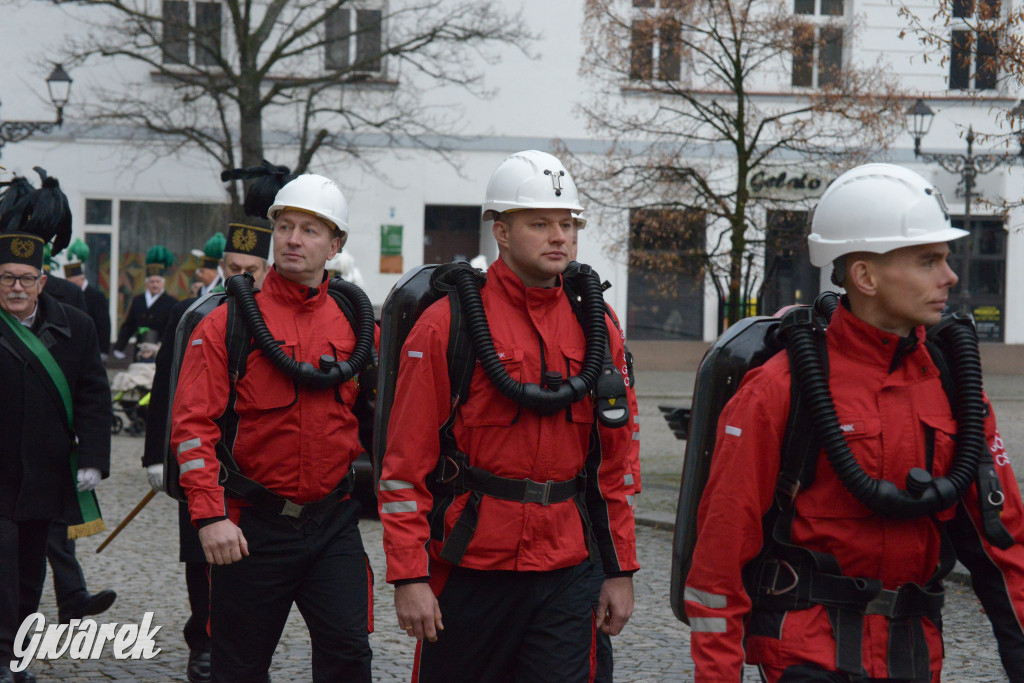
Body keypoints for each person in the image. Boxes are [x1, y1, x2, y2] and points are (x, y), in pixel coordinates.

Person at [684, 163, 1024, 682]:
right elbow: (720, 555)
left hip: (914, 655)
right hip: (808, 655)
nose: (950, 277)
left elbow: (1004, 545)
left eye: (946, 258)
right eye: (928, 260)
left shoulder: (955, 385)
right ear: (866, 277)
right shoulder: (781, 387)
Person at [378, 150, 639, 682]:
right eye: (539, 223)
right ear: (500, 231)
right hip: (471, 568)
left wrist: (620, 571)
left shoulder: (598, 327)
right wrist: (409, 576)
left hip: (567, 569)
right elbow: (404, 465)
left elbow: (616, 464)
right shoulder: (447, 324)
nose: (559, 237)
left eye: (567, 224)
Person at [171, 172, 377, 682]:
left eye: (310, 230)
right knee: (239, 667)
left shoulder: (357, 324)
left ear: (335, 244)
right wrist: (210, 517)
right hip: (251, 527)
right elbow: (192, 426)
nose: (293, 239)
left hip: (332, 522)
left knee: (350, 655)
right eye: (285, 227)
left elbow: (389, 420)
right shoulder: (229, 323)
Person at [143, 168, 280, 683]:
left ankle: (243, 651)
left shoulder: (279, 318)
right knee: (201, 559)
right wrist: (156, 456)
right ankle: (201, 643)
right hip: (200, 457)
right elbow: (166, 387)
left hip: (255, 466)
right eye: (232, 267)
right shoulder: (194, 312)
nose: (240, 276)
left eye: (251, 268)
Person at [0, 171, 111, 683]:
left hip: (44, 473)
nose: (16, 288)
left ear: (43, 281)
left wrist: (93, 459)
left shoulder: (76, 326)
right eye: (7, 278)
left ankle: (18, 654)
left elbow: (93, 394)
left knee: (28, 570)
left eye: (26, 279)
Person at [112, 245, 178, 360]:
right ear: (146, 283)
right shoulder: (138, 300)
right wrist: (119, 346)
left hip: (160, 352)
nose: (155, 285)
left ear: (163, 283)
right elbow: (129, 325)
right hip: (139, 350)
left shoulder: (171, 303)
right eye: (152, 282)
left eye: (158, 282)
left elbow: (172, 330)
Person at [63, 238, 111, 358]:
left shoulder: (96, 296)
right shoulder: (68, 295)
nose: (70, 286)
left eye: (73, 283)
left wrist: (103, 350)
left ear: (81, 280)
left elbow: (103, 325)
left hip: (93, 347)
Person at [189, 233, 226, 298]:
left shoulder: (223, 289)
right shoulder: (198, 290)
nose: (199, 275)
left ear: (214, 271)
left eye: (202, 271)